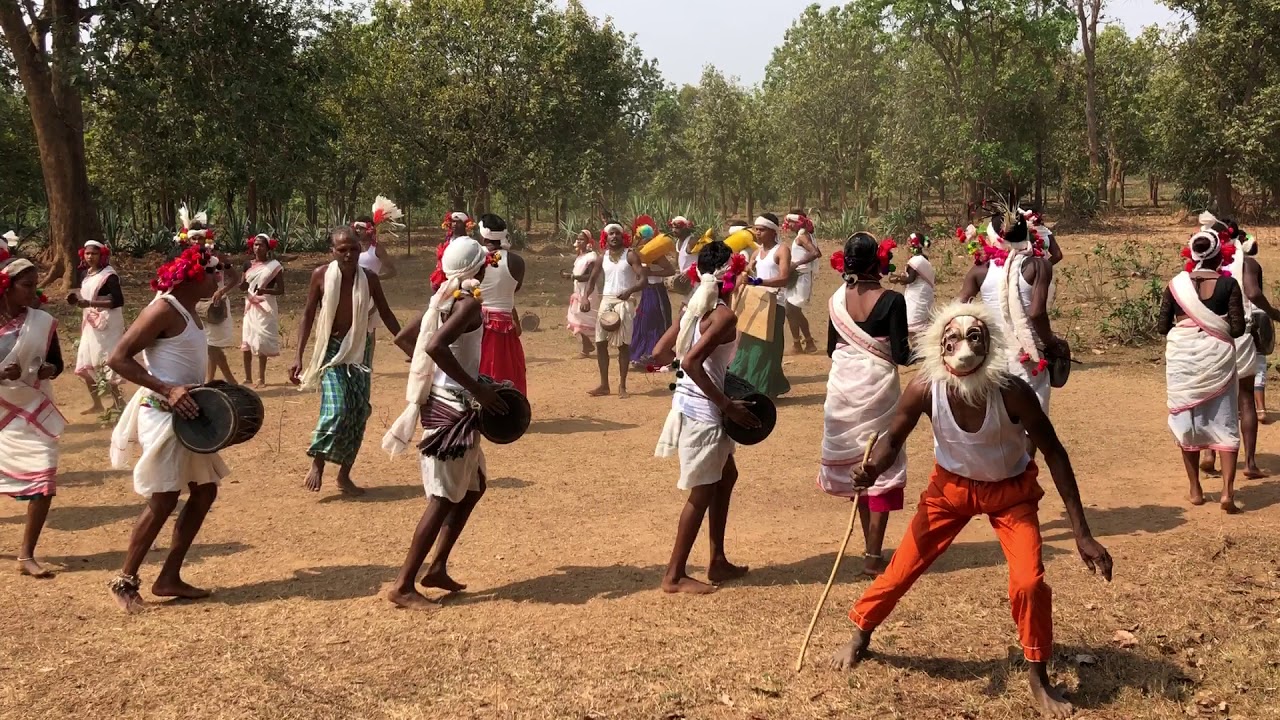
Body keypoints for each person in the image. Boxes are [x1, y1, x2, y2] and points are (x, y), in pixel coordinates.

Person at [829, 301, 1113, 720]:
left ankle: (1038, 676)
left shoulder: (1012, 392)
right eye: (953, 340)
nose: (963, 349)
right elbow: (892, 438)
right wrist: (872, 468)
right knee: (902, 568)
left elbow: (1054, 453)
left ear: (990, 344)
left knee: (1029, 582)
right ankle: (861, 632)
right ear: (939, 348)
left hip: (1010, 494)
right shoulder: (924, 388)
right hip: (949, 491)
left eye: (974, 338)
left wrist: (1082, 533)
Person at [382, 236, 509, 608]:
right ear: (480, 268)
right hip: (453, 409)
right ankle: (403, 585)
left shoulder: (443, 299)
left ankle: (436, 566)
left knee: (473, 487)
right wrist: (472, 387)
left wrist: (436, 377)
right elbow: (434, 346)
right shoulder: (466, 304)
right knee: (441, 499)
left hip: (448, 403)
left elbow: (407, 338)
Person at [107, 246, 228, 612]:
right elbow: (117, 359)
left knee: (205, 492)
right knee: (163, 498)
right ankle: (125, 580)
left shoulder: (189, 310)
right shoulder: (163, 309)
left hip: (188, 415)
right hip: (163, 414)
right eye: (212, 271)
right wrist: (168, 389)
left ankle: (169, 577)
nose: (217, 276)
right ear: (194, 276)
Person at [651, 241, 756, 593]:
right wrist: (726, 404)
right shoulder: (723, 315)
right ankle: (674, 575)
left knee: (726, 476)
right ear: (733, 275)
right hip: (705, 412)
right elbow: (693, 362)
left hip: (689, 403)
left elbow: (660, 351)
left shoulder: (694, 308)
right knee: (703, 491)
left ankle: (717, 561)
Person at [819, 233, 911, 577]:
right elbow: (901, 355)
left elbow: (832, 349)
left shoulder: (834, 301)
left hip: (843, 389)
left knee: (858, 465)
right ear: (878, 261)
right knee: (881, 462)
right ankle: (874, 554)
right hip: (878, 390)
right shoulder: (892, 300)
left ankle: (868, 549)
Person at [291, 227, 401, 496]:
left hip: (359, 350)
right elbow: (307, 315)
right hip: (330, 351)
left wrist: (410, 344)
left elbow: (385, 313)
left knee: (359, 412)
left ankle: (344, 475)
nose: (349, 254)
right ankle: (317, 462)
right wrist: (298, 356)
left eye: (353, 248)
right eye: (342, 249)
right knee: (337, 407)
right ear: (333, 251)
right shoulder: (320, 275)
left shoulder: (370, 278)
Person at [1162, 228, 1247, 512]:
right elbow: (1237, 328)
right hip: (1218, 359)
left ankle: (1195, 489)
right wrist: (1214, 323)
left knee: (1187, 422)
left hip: (1182, 360)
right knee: (1224, 421)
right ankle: (1227, 492)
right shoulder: (1228, 285)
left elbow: (1163, 326)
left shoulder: (1176, 285)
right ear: (1217, 255)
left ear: (1193, 253)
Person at [959, 212, 1063, 412]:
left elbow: (959, 308)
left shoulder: (981, 270)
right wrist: (1052, 343)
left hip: (991, 358)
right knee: (1030, 424)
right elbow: (1036, 314)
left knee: (998, 419)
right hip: (1027, 359)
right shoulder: (1038, 266)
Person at [0, 258, 65, 578]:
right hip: (2, 412)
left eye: (34, 285)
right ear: (6, 288)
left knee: (44, 475)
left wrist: (49, 370)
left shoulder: (41, 322)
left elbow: (56, 362)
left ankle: (26, 555)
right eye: (26, 286)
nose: (33, 292)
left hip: (32, 412)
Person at [1201, 215, 1279, 479]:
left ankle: (1210, 454)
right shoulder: (1246, 263)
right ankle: (1250, 463)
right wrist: (1274, 313)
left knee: (1213, 394)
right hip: (1240, 334)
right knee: (1245, 397)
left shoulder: (1201, 265)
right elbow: (1254, 293)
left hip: (1209, 334)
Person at [728, 214, 792, 398]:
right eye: (756, 229)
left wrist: (758, 281)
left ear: (773, 231)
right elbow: (745, 276)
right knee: (748, 346)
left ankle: (763, 389)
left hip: (775, 304)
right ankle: (749, 386)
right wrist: (740, 277)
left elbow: (784, 278)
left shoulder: (782, 250)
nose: (757, 233)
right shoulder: (756, 253)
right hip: (756, 304)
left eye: (761, 229)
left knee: (766, 348)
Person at [586, 223, 647, 398]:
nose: (614, 236)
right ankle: (604, 385)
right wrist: (585, 297)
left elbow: (643, 279)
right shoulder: (602, 257)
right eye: (611, 234)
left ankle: (622, 386)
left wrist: (630, 290)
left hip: (624, 302)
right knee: (600, 343)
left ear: (623, 236)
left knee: (623, 345)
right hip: (607, 301)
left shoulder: (630, 255)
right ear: (606, 237)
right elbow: (592, 279)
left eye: (617, 234)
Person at [476, 214, 528, 394]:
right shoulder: (517, 262)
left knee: (481, 368)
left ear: (483, 235)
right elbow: (513, 290)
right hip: (506, 324)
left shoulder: (474, 258)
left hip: (476, 323)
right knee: (508, 370)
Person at [72, 240, 125, 414]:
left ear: (101, 255)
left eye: (94, 253)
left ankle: (119, 402)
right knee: (87, 360)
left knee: (105, 361)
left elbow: (118, 300)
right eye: (87, 253)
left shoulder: (109, 276)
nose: (90, 257)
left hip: (107, 325)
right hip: (91, 323)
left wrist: (89, 303)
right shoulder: (86, 274)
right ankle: (97, 403)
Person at [354, 212, 399, 368]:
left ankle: (368, 362)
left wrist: (376, 280)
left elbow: (392, 270)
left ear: (368, 230)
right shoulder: (353, 248)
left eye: (360, 228)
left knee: (369, 330)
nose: (357, 231)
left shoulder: (377, 249)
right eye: (355, 228)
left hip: (371, 294)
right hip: (353, 292)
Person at [239, 233, 285, 388]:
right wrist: (243, 286)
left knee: (261, 341)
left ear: (267, 248)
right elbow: (242, 284)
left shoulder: (274, 266)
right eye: (256, 245)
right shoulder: (247, 265)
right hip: (250, 305)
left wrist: (265, 290)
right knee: (247, 340)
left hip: (266, 306)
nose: (258, 248)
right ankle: (247, 377)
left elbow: (281, 290)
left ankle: (261, 378)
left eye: (261, 245)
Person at [782, 211, 820, 354]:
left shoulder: (802, 237)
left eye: (790, 222)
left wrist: (796, 264)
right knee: (792, 311)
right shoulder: (804, 235)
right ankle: (802, 343)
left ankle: (803, 343)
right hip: (799, 276)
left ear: (797, 222)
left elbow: (815, 253)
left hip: (802, 277)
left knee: (792, 310)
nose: (789, 225)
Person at [631, 252, 676, 369]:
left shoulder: (656, 254)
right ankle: (641, 354)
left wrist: (651, 272)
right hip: (646, 291)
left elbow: (670, 270)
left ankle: (656, 355)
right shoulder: (639, 254)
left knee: (656, 322)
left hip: (656, 291)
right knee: (642, 323)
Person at [889, 232, 935, 342]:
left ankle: (916, 349)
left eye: (909, 241)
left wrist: (897, 278)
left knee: (912, 326)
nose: (907, 243)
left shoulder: (915, 261)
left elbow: (910, 279)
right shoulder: (923, 258)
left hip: (917, 296)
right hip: (922, 293)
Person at [563, 230, 599, 357]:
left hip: (587, 291)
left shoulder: (591, 257)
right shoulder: (580, 256)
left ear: (589, 242)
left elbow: (590, 276)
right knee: (576, 317)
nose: (579, 241)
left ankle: (590, 346)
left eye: (582, 239)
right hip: (578, 291)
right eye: (578, 239)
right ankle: (587, 345)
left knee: (586, 319)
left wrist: (572, 277)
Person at [433, 211, 472, 292]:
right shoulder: (448, 241)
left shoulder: (470, 243)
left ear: (465, 224)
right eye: (453, 221)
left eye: (458, 222)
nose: (454, 224)